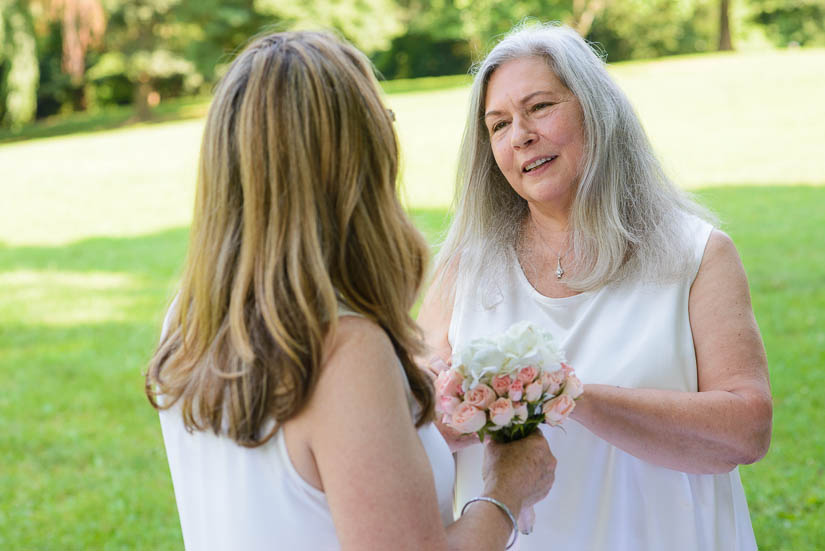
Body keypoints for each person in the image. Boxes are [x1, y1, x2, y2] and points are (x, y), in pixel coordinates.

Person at [144, 30, 556, 551]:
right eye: (382, 122)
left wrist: (415, 431)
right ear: (355, 163)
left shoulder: (190, 317)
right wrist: (506, 492)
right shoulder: (344, 347)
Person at [418, 22, 772, 551]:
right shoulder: (465, 268)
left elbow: (746, 430)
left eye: (539, 107)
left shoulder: (696, 254)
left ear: (596, 110)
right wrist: (454, 412)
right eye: (498, 125)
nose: (521, 135)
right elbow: (411, 428)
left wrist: (565, 393)